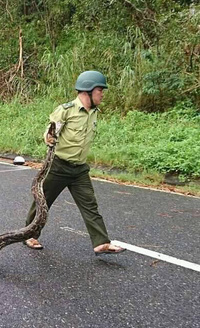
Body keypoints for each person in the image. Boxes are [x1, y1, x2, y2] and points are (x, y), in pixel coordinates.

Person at [24, 71, 126, 256]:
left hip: (79, 169)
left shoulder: (94, 112)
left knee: (90, 205)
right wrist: (48, 137)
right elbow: (50, 131)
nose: (102, 94)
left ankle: (101, 242)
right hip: (58, 166)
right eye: (99, 90)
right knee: (43, 202)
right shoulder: (66, 110)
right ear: (87, 91)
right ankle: (29, 234)